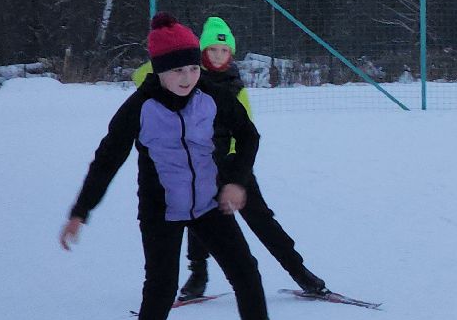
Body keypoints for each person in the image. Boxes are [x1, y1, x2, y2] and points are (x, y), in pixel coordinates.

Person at [62, 13, 304, 320]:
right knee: (161, 286)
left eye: (193, 68)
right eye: (177, 70)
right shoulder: (138, 108)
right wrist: (80, 211)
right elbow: (106, 160)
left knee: (245, 270)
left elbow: (248, 135)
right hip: (161, 210)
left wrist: (236, 180)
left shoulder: (212, 94)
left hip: (209, 203)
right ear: (158, 71)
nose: (188, 77)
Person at [131, 16, 329, 301]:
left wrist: (236, 171)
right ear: (202, 51)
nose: (218, 56)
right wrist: (169, 49)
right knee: (198, 221)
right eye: (212, 49)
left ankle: (301, 273)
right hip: (199, 167)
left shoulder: (236, 87)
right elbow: (141, 76)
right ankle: (198, 276)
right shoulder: (187, 78)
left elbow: (246, 131)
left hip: (234, 167)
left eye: (224, 51)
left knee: (261, 219)